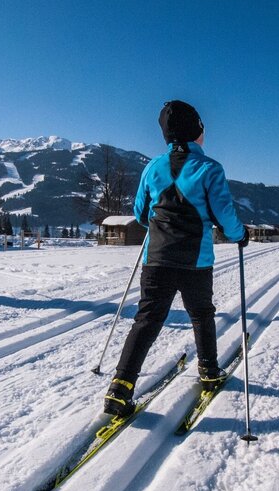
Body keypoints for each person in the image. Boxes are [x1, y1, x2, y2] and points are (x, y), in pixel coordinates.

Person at [103, 100, 249, 417]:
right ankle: (209, 370)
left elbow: (141, 214)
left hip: (156, 259)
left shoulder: (152, 167)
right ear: (197, 131)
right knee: (201, 314)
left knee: (147, 319)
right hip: (195, 262)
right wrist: (240, 235)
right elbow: (225, 216)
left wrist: (160, 224)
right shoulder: (211, 168)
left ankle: (120, 387)